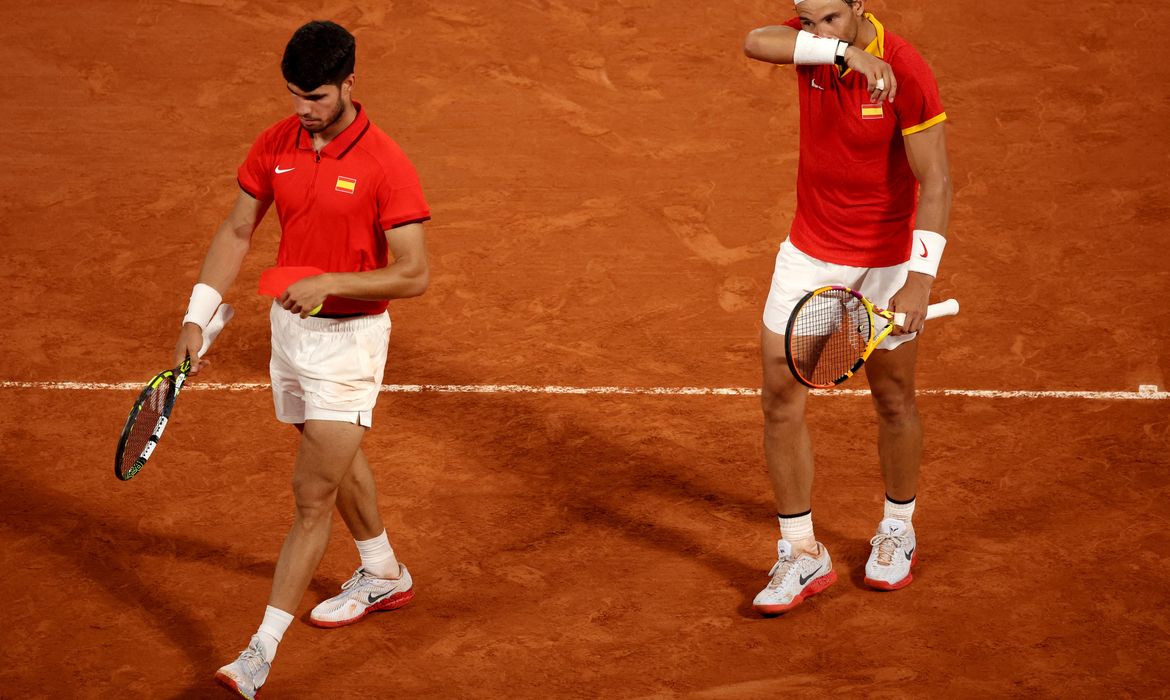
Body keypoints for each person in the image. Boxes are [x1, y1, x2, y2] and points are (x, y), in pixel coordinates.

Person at [170, 20, 431, 697]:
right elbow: (235, 229)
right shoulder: (277, 143)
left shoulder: (386, 164)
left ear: (349, 83)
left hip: (350, 343)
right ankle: (382, 572)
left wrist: (330, 282)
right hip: (290, 336)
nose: (302, 110)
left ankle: (258, 653)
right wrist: (197, 317)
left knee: (311, 496)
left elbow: (413, 273)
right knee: (332, 455)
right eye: (293, 95)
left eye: (314, 97)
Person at [742, 0, 952, 614]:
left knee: (893, 398)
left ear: (861, 6)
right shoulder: (814, 46)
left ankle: (897, 527)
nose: (813, 30)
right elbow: (756, 41)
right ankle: (801, 551)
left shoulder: (907, 68)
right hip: (809, 252)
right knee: (780, 398)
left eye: (830, 19)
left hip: (888, 259)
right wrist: (840, 50)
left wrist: (919, 281)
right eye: (806, 19)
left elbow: (935, 181)